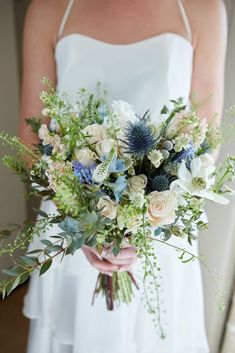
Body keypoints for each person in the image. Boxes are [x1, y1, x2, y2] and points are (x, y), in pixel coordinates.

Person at [20, 0, 227, 352]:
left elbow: (204, 143)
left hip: (161, 225)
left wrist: (143, 223)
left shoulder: (204, 9)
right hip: (72, 226)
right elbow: (31, 143)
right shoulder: (49, 8)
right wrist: (85, 224)